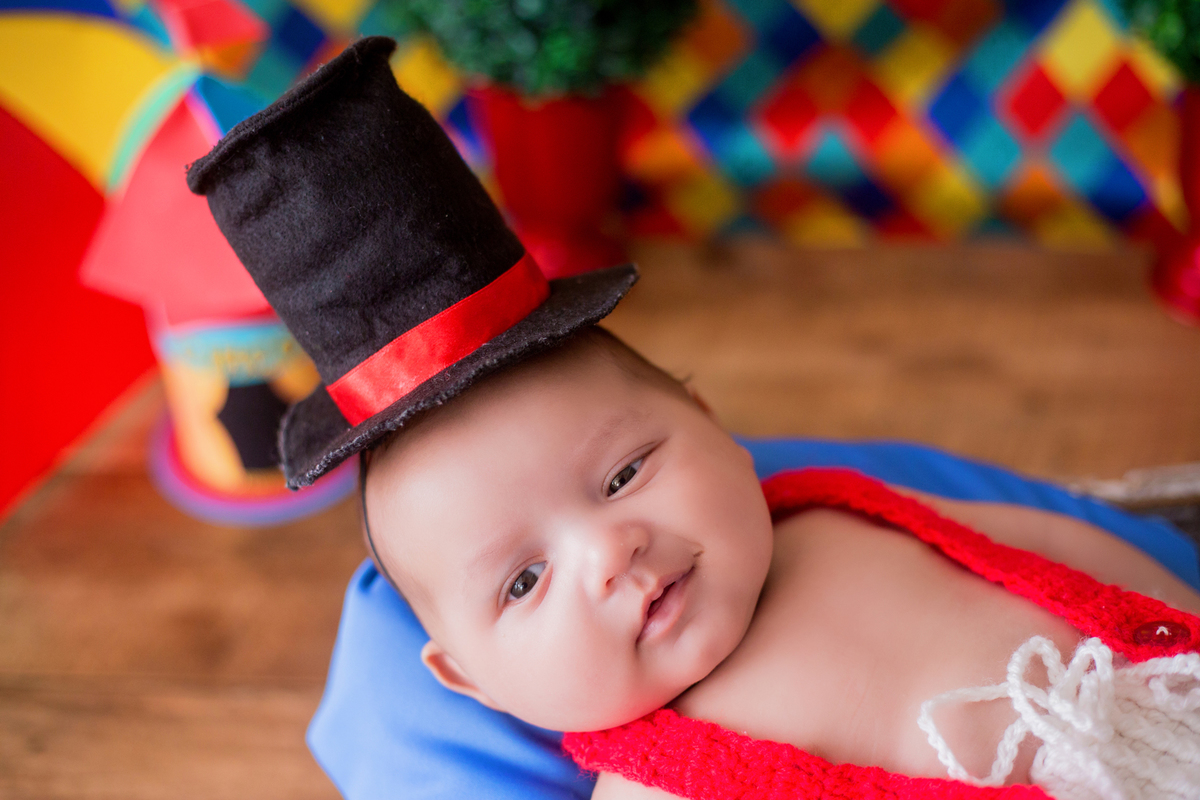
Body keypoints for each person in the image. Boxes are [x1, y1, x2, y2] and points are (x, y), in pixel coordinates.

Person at [188, 37, 1200, 800]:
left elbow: (1057, 539)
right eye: (524, 580)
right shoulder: (655, 781)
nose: (613, 547)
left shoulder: (833, 508)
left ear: (713, 425)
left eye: (625, 473)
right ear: (476, 681)